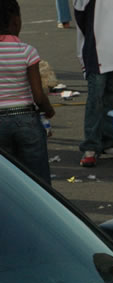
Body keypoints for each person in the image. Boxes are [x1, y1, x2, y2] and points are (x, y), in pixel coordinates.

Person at [0, 0, 55, 184]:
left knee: (6, 180)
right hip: (26, 120)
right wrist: (48, 110)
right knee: (39, 181)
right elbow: (38, 96)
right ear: (15, 22)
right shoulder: (27, 52)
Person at [74, 0, 113, 168]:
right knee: (96, 97)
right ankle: (91, 145)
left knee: (112, 94)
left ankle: (108, 139)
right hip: (96, 49)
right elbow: (80, 15)